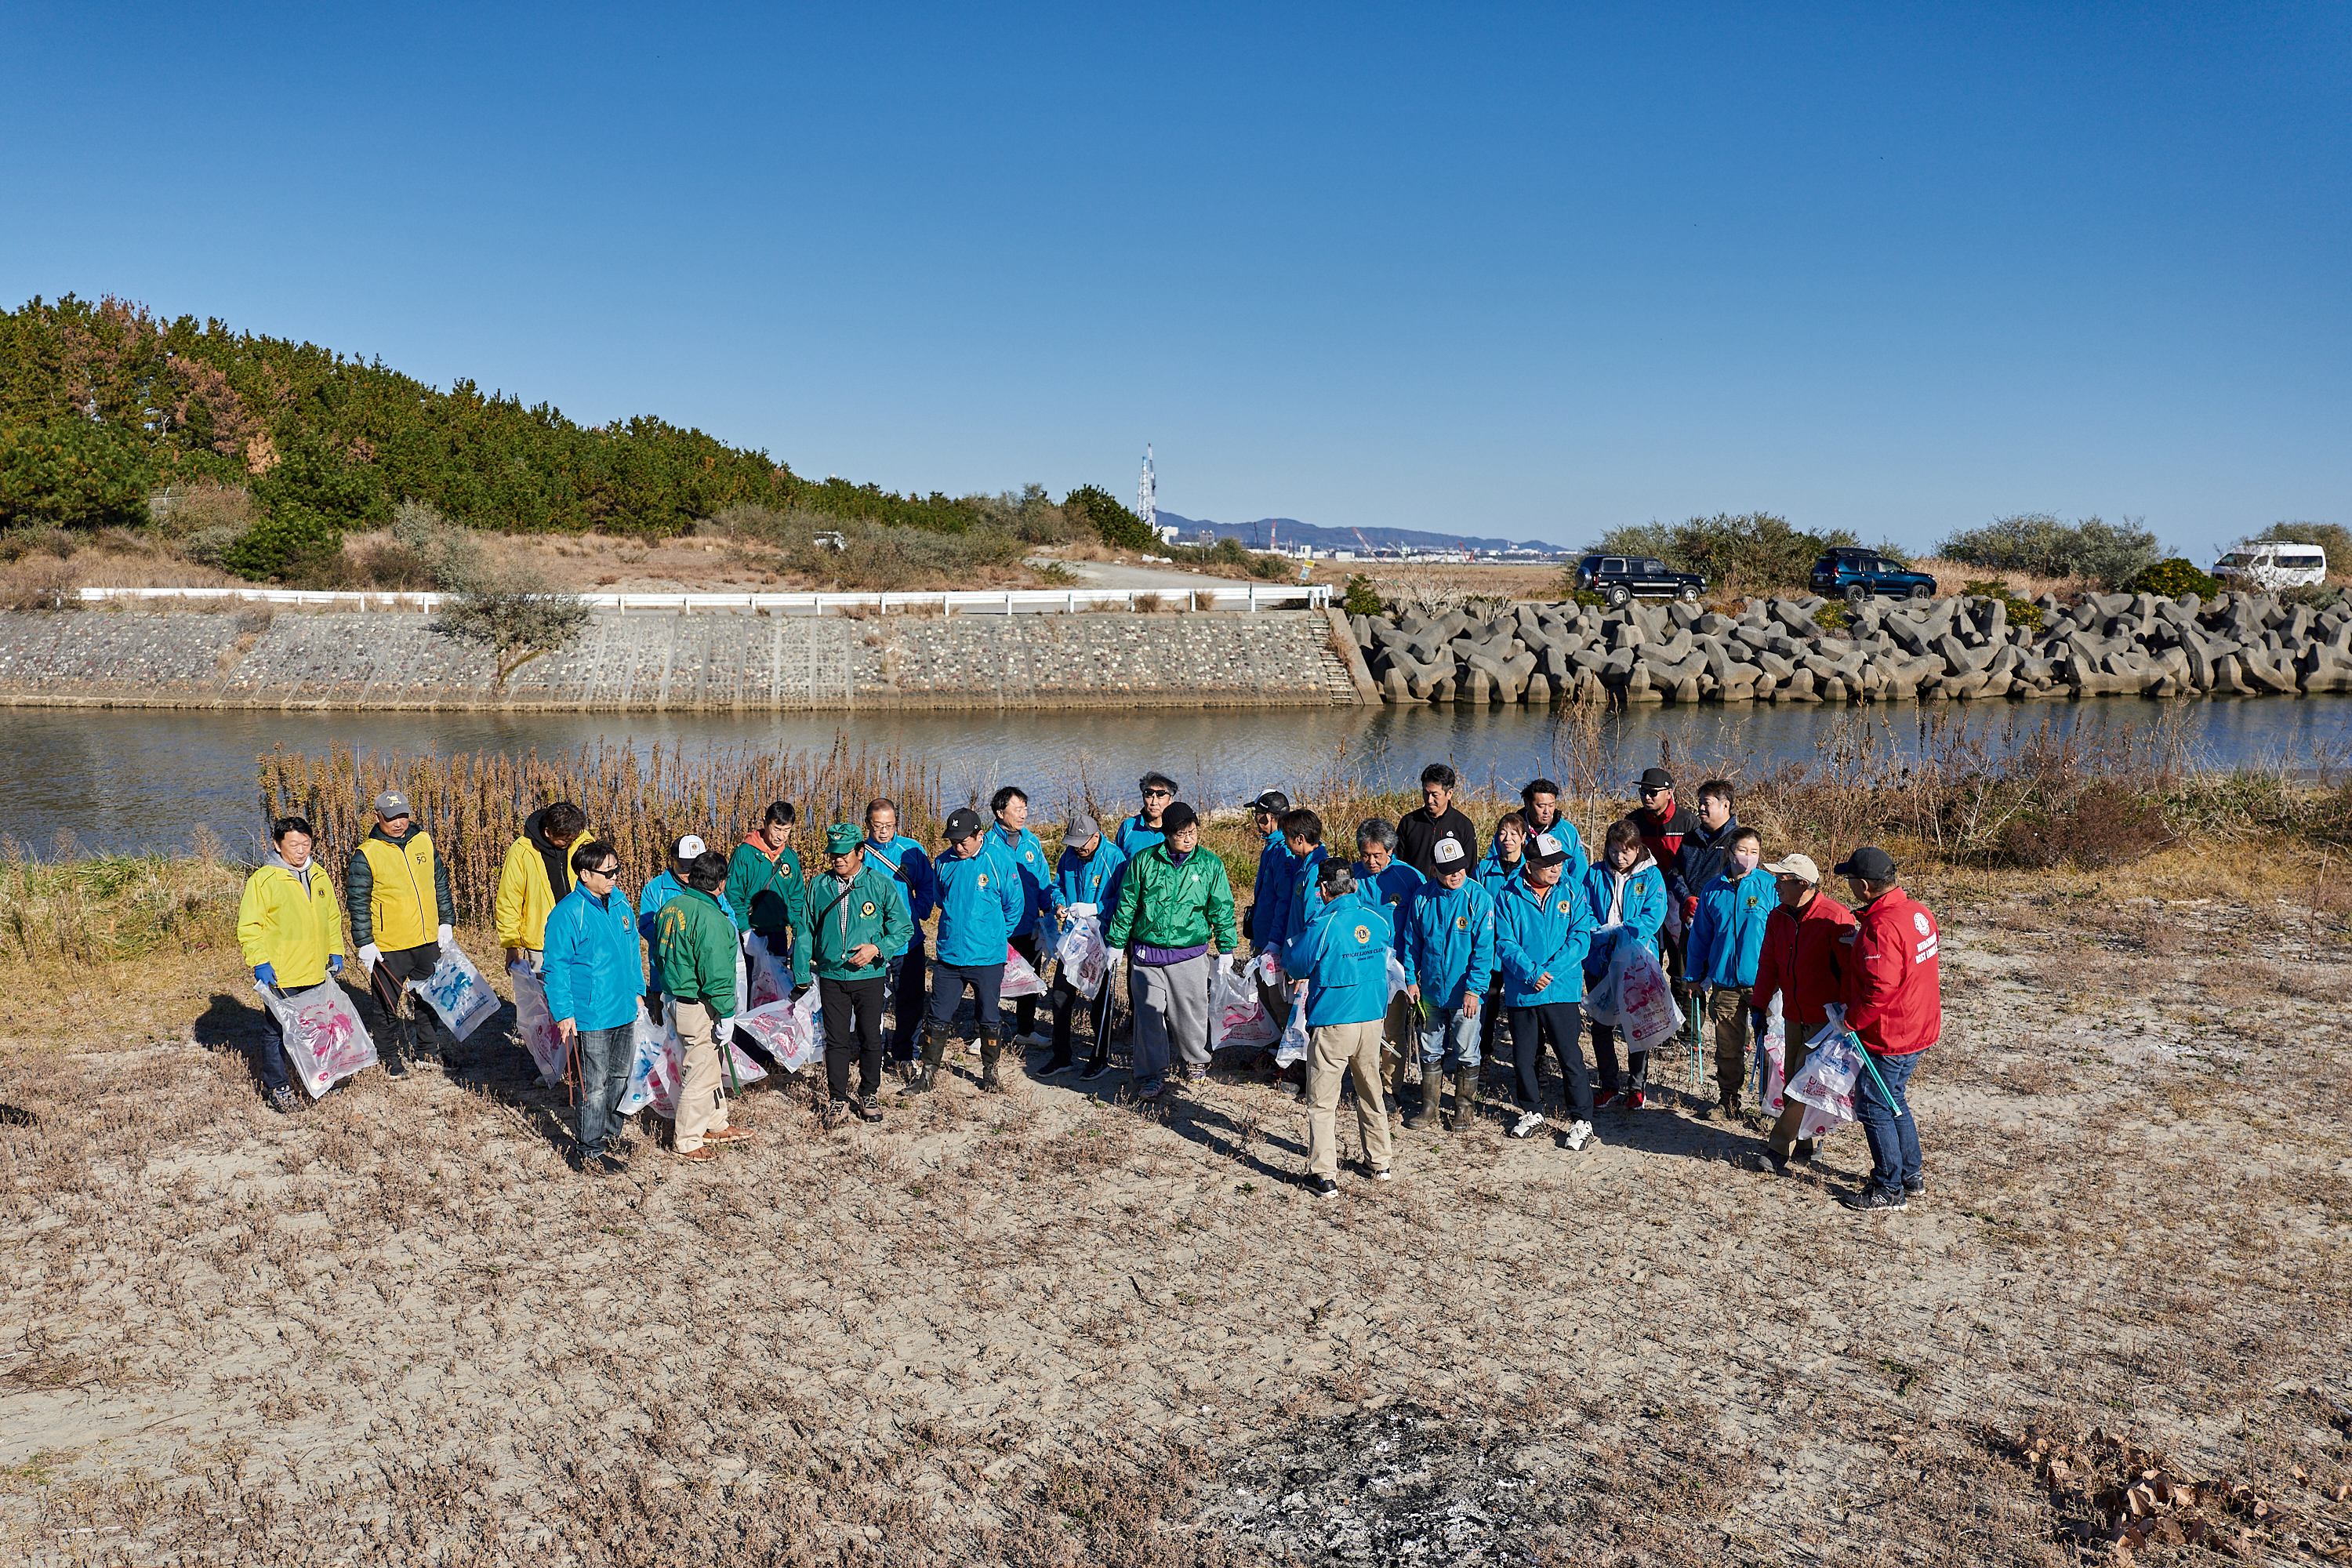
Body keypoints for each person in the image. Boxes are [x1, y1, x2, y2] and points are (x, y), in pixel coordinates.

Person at [1105, 801, 1237, 1101]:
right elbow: (1128, 903)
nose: (1188, 838)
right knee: (1148, 1016)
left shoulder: (1209, 864)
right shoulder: (1144, 861)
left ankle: (1196, 1060)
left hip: (1188, 953)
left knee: (1190, 1012)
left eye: (1192, 832)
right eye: (1181, 834)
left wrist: (1227, 948)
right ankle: (1152, 1075)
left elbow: (1222, 908)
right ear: (1167, 835)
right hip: (1147, 954)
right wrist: (1116, 943)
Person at [1834, 847, 1940, 1211]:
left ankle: (1887, 1187)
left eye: (1849, 879)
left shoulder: (1882, 926)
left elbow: (1881, 988)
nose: (1847, 884)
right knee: (1894, 1097)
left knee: (1875, 1104)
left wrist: (1850, 1021)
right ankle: (1911, 1175)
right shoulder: (1917, 912)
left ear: (1864, 886)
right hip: (1920, 1024)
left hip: (1893, 1033)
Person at [1287, 861, 1396, 1196]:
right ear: (1355, 886)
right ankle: (1379, 1162)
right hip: (1372, 1020)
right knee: (1370, 1089)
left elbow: (1298, 964)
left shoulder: (1324, 924)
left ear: (1322, 891)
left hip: (1334, 1021)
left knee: (1322, 1100)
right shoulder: (1377, 920)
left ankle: (1324, 1175)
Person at [1749, 851, 1858, 1175]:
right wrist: (1759, 1004)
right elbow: (1768, 963)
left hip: (1827, 1020)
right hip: (1792, 1014)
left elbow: (1850, 971)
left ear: (1803, 884)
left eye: (1781, 880)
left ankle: (1778, 1148)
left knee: (1802, 1082)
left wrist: (1846, 1015)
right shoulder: (1778, 916)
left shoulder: (1835, 917)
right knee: (1795, 1082)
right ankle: (1810, 1143)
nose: (1775, 885)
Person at [800, 822, 913, 1124]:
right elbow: (804, 930)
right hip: (832, 976)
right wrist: (800, 973)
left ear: (860, 852)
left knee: (870, 1037)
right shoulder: (819, 886)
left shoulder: (879, 884)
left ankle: (868, 1093)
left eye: (844, 854)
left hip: (869, 977)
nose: (837, 859)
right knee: (835, 1040)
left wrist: (876, 949)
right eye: (832, 854)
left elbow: (904, 928)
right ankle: (837, 1098)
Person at [905, 807, 1023, 1095]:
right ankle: (928, 1073)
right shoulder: (943, 863)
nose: (957, 846)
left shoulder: (999, 860)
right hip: (949, 957)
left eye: (963, 841)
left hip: (987, 957)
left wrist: (993, 935)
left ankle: (990, 1072)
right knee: (936, 1016)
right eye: (953, 841)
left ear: (979, 835)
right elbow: (942, 899)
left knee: (988, 1016)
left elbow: (1014, 905)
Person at [1490, 832, 1597, 1149]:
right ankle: (1531, 1110)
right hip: (1524, 990)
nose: (1555, 869)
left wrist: (1550, 971)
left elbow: (1581, 938)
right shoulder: (1508, 895)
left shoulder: (1573, 891)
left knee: (1570, 1057)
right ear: (1530, 862)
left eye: (1560, 863)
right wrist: (1531, 972)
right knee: (1524, 1058)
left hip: (1561, 990)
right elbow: (1505, 941)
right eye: (1548, 864)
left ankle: (1581, 1119)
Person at [236, 814, 346, 1114]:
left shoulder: (319, 875)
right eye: (294, 844)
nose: (301, 850)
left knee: (320, 1025)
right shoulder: (264, 880)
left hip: (316, 968)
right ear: (277, 844)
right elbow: (249, 927)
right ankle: (278, 1086)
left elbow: (332, 918)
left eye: (306, 843)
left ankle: (321, 1078)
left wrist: (335, 950)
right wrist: (260, 961)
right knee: (277, 1031)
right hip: (282, 972)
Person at [540, 839, 639, 1173]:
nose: (614, 876)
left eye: (617, 869)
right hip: (592, 1014)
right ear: (585, 874)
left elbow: (633, 952)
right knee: (593, 1085)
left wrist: (637, 990)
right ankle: (589, 1149)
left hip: (624, 1008)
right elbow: (556, 967)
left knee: (620, 1076)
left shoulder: (621, 905)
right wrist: (564, 1013)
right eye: (607, 871)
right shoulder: (568, 913)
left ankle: (608, 1132)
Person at [345, 789, 456, 1079]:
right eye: (391, 818)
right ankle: (389, 1057)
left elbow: (440, 884)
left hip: (427, 939)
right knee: (386, 1007)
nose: (398, 823)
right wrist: (365, 944)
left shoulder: (424, 842)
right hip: (389, 945)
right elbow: (357, 903)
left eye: (403, 816)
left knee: (429, 999)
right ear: (377, 817)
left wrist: (446, 922)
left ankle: (428, 1052)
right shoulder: (366, 854)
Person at [1394, 837, 1495, 1132]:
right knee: (1429, 1048)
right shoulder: (1422, 898)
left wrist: (1475, 990)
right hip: (1431, 992)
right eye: (1448, 869)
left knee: (1466, 1049)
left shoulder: (1479, 899)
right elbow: (1412, 944)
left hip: (1466, 994)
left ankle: (1464, 1106)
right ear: (1434, 869)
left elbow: (1484, 951)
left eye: (1460, 868)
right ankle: (1429, 1105)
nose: (1455, 874)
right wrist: (1411, 981)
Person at [655, 850, 750, 1161]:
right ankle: (688, 1138)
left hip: (675, 997)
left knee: (708, 1065)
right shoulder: (714, 920)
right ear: (721, 883)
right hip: (698, 1004)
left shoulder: (670, 906)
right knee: (701, 1071)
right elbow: (717, 975)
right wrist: (727, 1013)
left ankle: (715, 1122)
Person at [1682, 826, 1771, 1120]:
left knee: (1770, 1048)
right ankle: (1728, 1100)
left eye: (1754, 852)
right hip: (1724, 983)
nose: (1748, 857)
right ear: (1730, 852)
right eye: (1743, 851)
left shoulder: (1769, 887)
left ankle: (1772, 1106)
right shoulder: (1712, 889)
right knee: (1728, 1048)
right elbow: (1700, 938)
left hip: (1762, 983)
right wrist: (1693, 975)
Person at [1582, 818, 1668, 1109]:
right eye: (1614, 850)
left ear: (1637, 849)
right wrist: (1601, 933)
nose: (1620, 857)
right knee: (1601, 1025)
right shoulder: (1594, 874)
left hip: (1636, 961)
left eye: (1626, 852)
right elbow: (1584, 910)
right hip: (1600, 959)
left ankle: (1637, 1087)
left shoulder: (1652, 876)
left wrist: (1620, 932)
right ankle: (1608, 1085)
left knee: (1637, 1026)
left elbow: (1652, 916)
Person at [1350, 818, 1424, 1110]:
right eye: (1365, 855)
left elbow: (1419, 927)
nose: (1371, 861)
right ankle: (1364, 1084)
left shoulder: (1409, 878)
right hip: (1359, 965)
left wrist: (1412, 970)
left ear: (1390, 851)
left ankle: (1391, 1087)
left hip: (1397, 967)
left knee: (1393, 1028)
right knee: (1363, 1027)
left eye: (1377, 855)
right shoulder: (1351, 878)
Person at [1047, 813, 1127, 1080]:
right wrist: (1059, 905)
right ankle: (1061, 1057)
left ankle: (1100, 1058)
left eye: (1083, 843)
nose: (1079, 848)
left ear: (1096, 836)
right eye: (1074, 843)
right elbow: (1056, 886)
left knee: (1100, 1002)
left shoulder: (1115, 859)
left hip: (1103, 940)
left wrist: (1096, 908)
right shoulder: (1069, 857)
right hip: (1073, 939)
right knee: (1060, 996)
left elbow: (1125, 900)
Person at [860, 799, 936, 1070]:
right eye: (878, 826)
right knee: (870, 1002)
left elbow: (928, 884)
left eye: (889, 826)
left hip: (908, 939)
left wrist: (921, 910)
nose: (884, 832)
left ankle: (905, 1053)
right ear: (868, 824)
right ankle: (872, 1050)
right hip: (872, 943)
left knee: (911, 999)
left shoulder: (912, 850)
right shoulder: (859, 853)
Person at [989, 786, 1058, 1047]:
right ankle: (984, 1033)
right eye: (1017, 809)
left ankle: (1026, 1030)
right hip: (998, 928)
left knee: (1030, 978)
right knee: (991, 982)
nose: (1023, 814)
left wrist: (1050, 914)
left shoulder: (1031, 842)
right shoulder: (987, 844)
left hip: (1029, 924)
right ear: (1000, 812)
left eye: (1025, 808)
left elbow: (1043, 882)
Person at [641, 834, 741, 1014]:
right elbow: (647, 926)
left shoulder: (711, 885)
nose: (690, 872)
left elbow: (729, 919)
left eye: (695, 866)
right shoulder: (656, 889)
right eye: (685, 866)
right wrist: (682, 935)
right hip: (666, 976)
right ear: (673, 860)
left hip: (702, 979)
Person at [493, 801, 591, 971]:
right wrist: (511, 944)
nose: (569, 843)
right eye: (564, 840)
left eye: (572, 839)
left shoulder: (583, 841)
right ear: (548, 832)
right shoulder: (521, 851)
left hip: (582, 933)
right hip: (542, 940)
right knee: (544, 992)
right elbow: (509, 898)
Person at [1474, 810, 1531, 1064]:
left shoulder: (1530, 869)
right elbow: (1472, 903)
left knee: (1526, 1008)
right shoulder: (1485, 869)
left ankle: (1533, 1061)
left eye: (1513, 833)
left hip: (1521, 949)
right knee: (1488, 1007)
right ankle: (1483, 1057)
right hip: (1490, 952)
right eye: (1502, 833)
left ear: (1523, 838)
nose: (1507, 838)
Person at [728, 801, 807, 985]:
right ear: (765, 823)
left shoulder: (790, 857)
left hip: (779, 934)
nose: (781, 836)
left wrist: (797, 935)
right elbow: (733, 895)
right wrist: (745, 931)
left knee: (775, 990)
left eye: (786, 830)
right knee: (750, 986)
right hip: (750, 933)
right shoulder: (745, 854)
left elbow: (797, 898)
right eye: (777, 829)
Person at [1242, 790, 1297, 961]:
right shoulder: (1271, 844)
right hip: (1263, 933)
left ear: (1268, 816)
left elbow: (1284, 901)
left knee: (1271, 987)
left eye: (1257, 814)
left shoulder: (1283, 849)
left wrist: (1274, 942)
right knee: (1260, 984)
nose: (1255, 819)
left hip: (1272, 938)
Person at [1396, 764, 1476, 878]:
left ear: (1449, 794)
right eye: (1425, 793)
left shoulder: (1463, 825)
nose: (1429, 800)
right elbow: (1397, 862)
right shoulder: (1409, 822)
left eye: (1435, 795)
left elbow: (1470, 869)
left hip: (1447, 893)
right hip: (1413, 890)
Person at [1519, 779, 1584, 868]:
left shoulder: (1567, 831)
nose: (1547, 811)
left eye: (1551, 805)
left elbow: (1580, 870)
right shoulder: (1511, 831)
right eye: (1541, 806)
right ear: (1527, 803)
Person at [1115, 773, 1179, 858]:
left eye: (1160, 796)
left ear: (1170, 799)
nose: (1154, 802)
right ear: (1143, 798)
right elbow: (1116, 861)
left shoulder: (1178, 829)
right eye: (1149, 796)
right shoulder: (1129, 827)